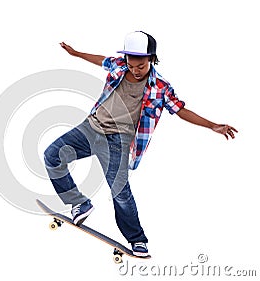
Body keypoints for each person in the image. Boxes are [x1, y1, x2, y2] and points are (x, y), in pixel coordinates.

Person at [43, 31, 238, 257]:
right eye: (132, 65)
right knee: (52, 155)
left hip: (117, 140)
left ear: (152, 59)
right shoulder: (118, 66)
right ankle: (79, 203)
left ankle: (137, 240)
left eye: (141, 66)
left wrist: (212, 125)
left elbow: (181, 110)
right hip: (91, 128)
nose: (135, 70)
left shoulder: (161, 87)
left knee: (120, 192)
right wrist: (75, 53)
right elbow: (99, 59)